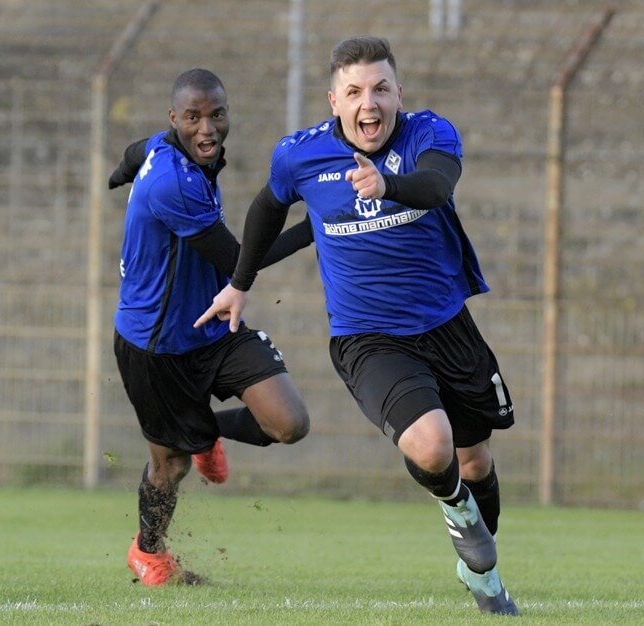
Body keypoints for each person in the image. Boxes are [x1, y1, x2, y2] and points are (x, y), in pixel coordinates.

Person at [196, 37, 520, 615]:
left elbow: (436, 186)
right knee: (433, 446)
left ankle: (485, 576)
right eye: (354, 92)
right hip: (368, 338)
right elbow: (269, 208)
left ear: (399, 94)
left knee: (475, 460)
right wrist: (240, 281)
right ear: (334, 101)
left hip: (447, 327)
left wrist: (385, 185)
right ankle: (459, 515)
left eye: (380, 89)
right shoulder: (300, 155)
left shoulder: (428, 135)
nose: (368, 103)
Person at [109, 68, 313, 587]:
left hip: (213, 325)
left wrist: (119, 173)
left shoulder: (161, 147)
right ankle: (148, 553)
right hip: (154, 345)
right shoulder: (173, 184)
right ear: (174, 119)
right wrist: (317, 226)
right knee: (170, 467)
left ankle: (202, 432)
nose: (207, 128)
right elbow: (239, 261)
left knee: (289, 423)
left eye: (216, 114)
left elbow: (135, 152)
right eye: (194, 117)